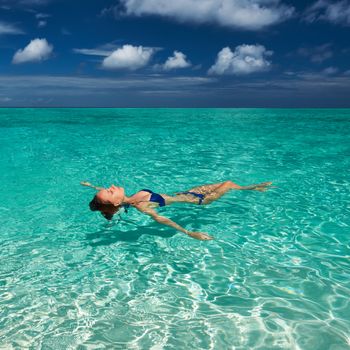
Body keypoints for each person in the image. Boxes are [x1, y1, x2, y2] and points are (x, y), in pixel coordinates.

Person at [81, 180, 273, 241]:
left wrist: (91, 186)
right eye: (109, 192)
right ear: (114, 204)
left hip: (185, 194)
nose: (111, 187)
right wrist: (189, 233)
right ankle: (254, 188)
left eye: (108, 188)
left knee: (228, 183)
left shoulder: (124, 201)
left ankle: (253, 188)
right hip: (199, 201)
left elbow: (101, 193)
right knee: (228, 184)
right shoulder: (141, 205)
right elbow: (161, 220)